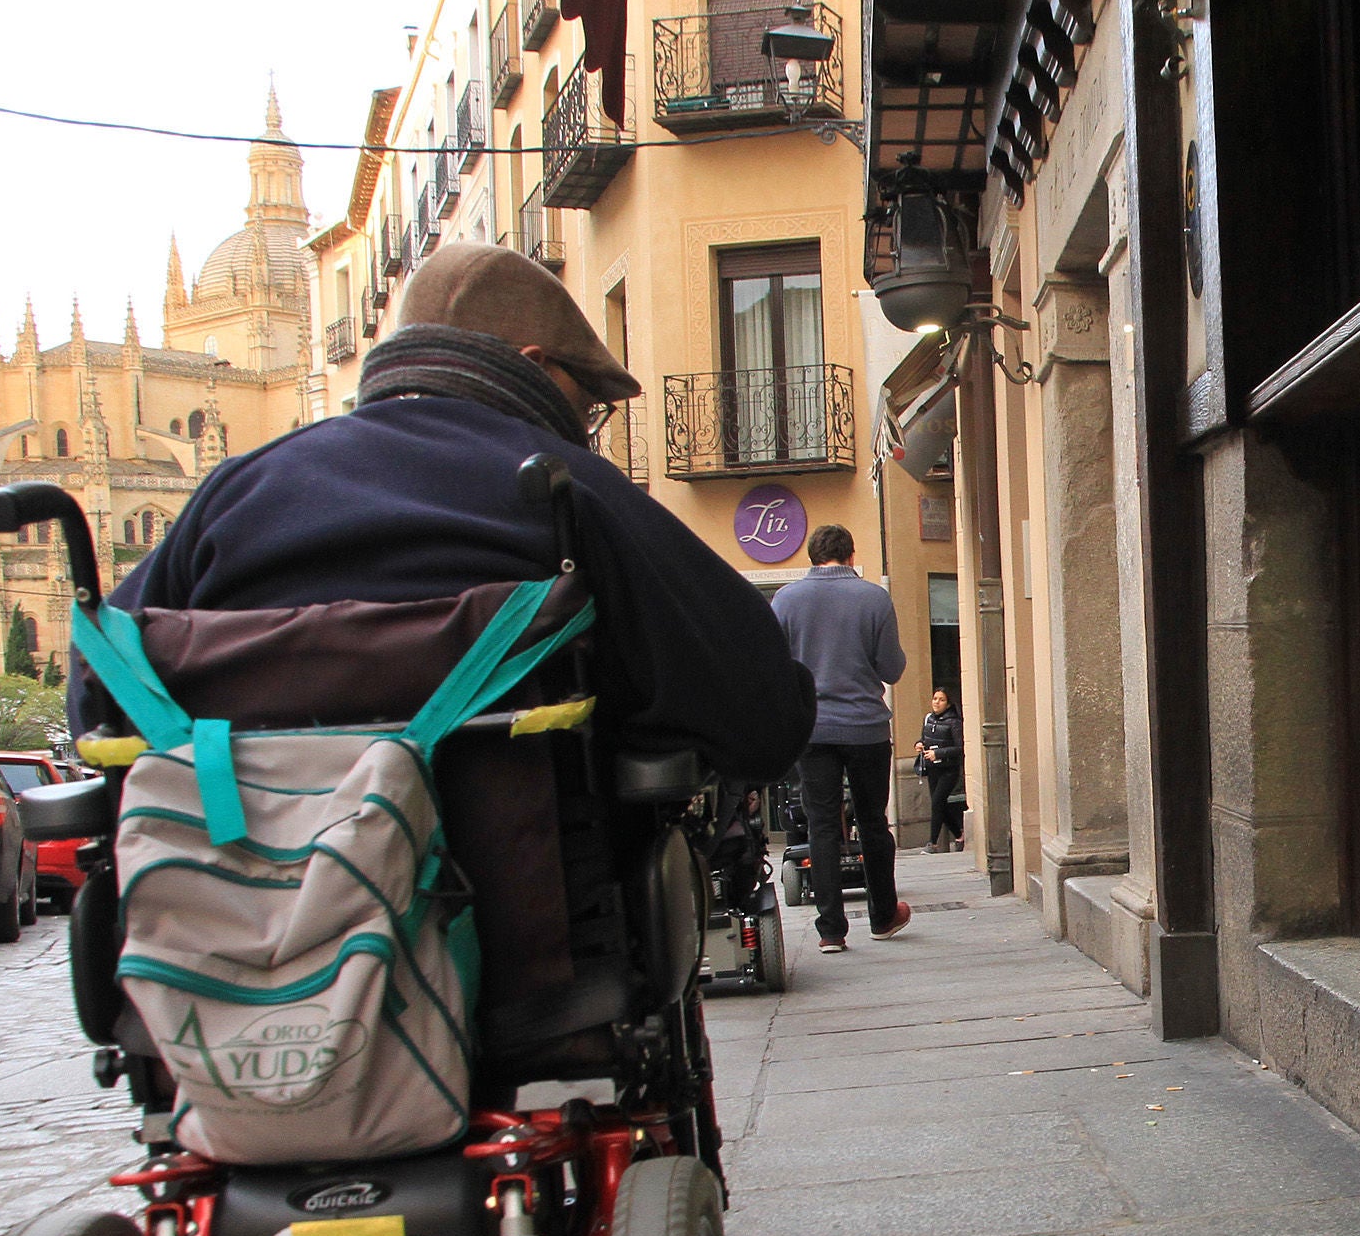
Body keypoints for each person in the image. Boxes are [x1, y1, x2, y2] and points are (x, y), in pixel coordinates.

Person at [81, 242, 813, 783]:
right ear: (532, 363)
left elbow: (96, 693)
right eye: (585, 405)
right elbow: (763, 714)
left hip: (240, 930)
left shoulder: (241, 489)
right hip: (533, 935)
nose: (583, 425)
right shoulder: (565, 487)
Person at [769, 523, 909, 951]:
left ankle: (831, 929)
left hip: (812, 729)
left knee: (823, 824)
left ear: (812, 557)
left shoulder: (785, 600)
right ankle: (883, 916)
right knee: (872, 822)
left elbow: (776, 667)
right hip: (865, 727)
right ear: (851, 556)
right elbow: (892, 669)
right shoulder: (873, 598)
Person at [917, 689, 964, 853]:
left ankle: (932, 842)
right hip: (933, 768)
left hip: (948, 769)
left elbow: (959, 747)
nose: (936, 702)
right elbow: (924, 738)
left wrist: (938, 753)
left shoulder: (954, 722)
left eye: (941, 700)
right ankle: (959, 834)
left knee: (937, 802)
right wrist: (919, 744)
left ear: (948, 703)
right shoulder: (928, 719)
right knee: (939, 805)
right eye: (935, 698)